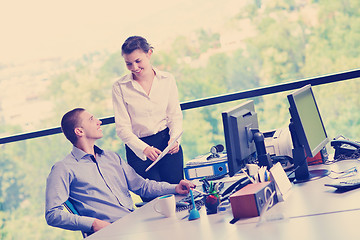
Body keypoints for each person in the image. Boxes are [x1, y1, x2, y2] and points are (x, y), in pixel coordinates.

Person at [45, 108, 194, 236]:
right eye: (91, 119)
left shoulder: (111, 157)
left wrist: (174, 188)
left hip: (135, 225)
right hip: (111, 233)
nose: (99, 121)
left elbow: (142, 186)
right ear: (79, 131)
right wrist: (95, 224)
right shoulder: (63, 168)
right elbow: (53, 214)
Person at [112, 36, 184, 200]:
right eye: (128, 63)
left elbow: (175, 116)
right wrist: (144, 148)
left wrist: (175, 140)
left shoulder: (167, 79)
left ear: (149, 53)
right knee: (154, 203)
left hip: (167, 145)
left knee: (178, 196)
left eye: (138, 61)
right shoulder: (119, 87)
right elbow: (122, 129)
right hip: (139, 151)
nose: (134, 67)